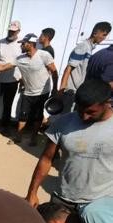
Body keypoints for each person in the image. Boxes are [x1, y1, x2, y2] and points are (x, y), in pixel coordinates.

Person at [26, 79, 113, 208]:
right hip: (63, 200)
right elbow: (46, 159)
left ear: (108, 103)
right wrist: (32, 193)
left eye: (91, 112)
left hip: (100, 205)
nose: (84, 116)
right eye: (80, 110)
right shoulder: (63, 123)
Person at [0, 33, 58, 145]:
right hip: (28, 92)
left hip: (42, 92)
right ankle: (18, 136)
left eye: (23, 44)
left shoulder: (44, 55)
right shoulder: (20, 59)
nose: (21, 46)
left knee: (38, 116)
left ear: (31, 44)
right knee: (23, 114)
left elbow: (54, 72)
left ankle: (33, 137)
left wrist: (55, 89)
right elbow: (4, 67)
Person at [59, 22, 111, 112]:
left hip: (76, 92)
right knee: (65, 118)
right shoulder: (83, 47)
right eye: (103, 35)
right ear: (95, 33)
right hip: (70, 92)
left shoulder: (90, 48)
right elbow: (68, 68)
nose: (104, 38)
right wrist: (61, 90)